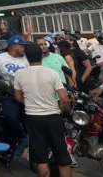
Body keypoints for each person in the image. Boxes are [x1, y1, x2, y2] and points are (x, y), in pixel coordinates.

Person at [14, 44, 72, 177]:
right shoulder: (52, 73)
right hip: (53, 117)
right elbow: (64, 98)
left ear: (27, 58)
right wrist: (66, 109)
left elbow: (18, 97)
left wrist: (30, 102)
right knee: (62, 158)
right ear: (41, 56)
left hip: (33, 118)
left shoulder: (19, 75)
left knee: (41, 158)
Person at [0, 35, 29, 157]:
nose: (23, 48)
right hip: (8, 95)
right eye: (22, 45)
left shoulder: (26, 59)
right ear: (15, 46)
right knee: (10, 116)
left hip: (25, 94)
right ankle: (22, 138)